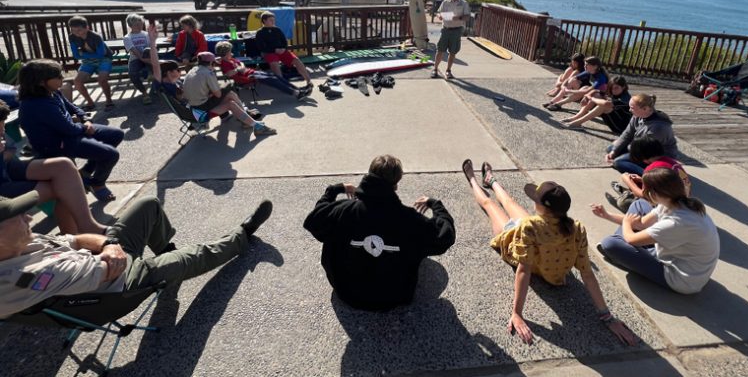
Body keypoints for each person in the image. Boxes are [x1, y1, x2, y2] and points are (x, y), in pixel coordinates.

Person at [0, 190, 273, 319]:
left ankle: (167, 256)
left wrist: (107, 243)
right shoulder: (20, 277)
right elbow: (109, 269)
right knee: (195, 255)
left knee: (148, 204)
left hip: (107, 262)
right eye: (15, 215)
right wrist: (109, 250)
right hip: (116, 288)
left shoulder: (21, 243)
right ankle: (243, 235)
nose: (28, 216)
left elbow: (75, 239)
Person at [461, 159, 637, 346]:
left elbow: (523, 270)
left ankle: (472, 179)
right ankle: (490, 179)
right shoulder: (576, 228)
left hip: (514, 238)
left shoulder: (530, 227)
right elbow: (587, 273)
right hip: (533, 235)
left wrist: (517, 313)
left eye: (536, 200)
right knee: (510, 201)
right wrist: (607, 317)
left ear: (543, 207)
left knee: (490, 204)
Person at [303, 154, 456, 311]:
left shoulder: (344, 210)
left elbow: (315, 219)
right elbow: (445, 236)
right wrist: (436, 205)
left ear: (368, 175)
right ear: (396, 184)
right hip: (393, 297)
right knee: (417, 243)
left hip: (346, 292)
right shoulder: (410, 220)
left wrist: (334, 190)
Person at [593, 167, 719, 294]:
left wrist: (626, 224)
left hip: (682, 279)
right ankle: (625, 251)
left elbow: (631, 239)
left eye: (645, 189)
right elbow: (640, 223)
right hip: (680, 256)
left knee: (610, 244)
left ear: (654, 194)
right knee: (640, 205)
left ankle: (622, 254)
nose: (643, 192)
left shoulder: (675, 223)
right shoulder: (676, 200)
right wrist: (607, 215)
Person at [17, 60, 124, 202]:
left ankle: (86, 171)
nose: (62, 78)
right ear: (42, 82)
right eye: (58, 77)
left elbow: (72, 107)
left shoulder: (52, 92)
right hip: (56, 143)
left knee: (115, 134)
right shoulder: (38, 104)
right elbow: (69, 129)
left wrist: (84, 118)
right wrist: (85, 127)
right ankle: (97, 184)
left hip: (70, 132)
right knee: (111, 155)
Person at [0, 101, 106, 235]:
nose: (2, 130)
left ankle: (87, 225)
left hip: (8, 169)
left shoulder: (1, 127)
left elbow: (10, 150)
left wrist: (4, 153)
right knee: (64, 189)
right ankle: (71, 238)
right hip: (2, 190)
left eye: (3, 124)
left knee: (64, 166)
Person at [182, 51, 276, 137]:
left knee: (230, 95)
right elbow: (218, 95)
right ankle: (255, 125)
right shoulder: (208, 73)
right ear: (211, 63)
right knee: (229, 94)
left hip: (193, 108)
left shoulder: (192, 70)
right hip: (201, 111)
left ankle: (247, 121)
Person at [605, 137, 691, 213]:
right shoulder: (671, 162)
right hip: (681, 201)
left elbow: (643, 195)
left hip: (668, 208)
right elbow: (667, 182)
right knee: (643, 184)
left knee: (624, 203)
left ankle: (626, 199)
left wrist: (628, 181)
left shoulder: (651, 169)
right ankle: (627, 193)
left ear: (641, 156)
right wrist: (642, 179)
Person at [605, 93, 678, 175]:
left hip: (655, 156)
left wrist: (622, 146)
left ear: (645, 109)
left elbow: (643, 149)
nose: (629, 110)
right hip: (642, 148)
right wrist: (615, 151)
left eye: (632, 108)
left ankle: (649, 175)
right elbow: (627, 134)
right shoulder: (638, 116)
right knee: (611, 149)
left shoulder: (658, 127)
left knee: (618, 162)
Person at [215, 41, 311, 101]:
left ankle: (297, 90)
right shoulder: (224, 63)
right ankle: (296, 94)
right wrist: (238, 69)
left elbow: (242, 64)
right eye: (229, 52)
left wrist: (241, 67)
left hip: (250, 72)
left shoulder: (231, 59)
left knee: (275, 76)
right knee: (272, 80)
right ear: (225, 53)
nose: (231, 53)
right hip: (246, 78)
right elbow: (229, 73)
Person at [253, 11, 313, 90]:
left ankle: (309, 81)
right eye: (271, 20)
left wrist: (283, 49)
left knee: (296, 60)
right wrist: (275, 50)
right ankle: (284, 85)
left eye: (274, 20)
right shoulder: (260, 33)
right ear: (264, 21)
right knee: (275, 64)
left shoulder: (277, 30)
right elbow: (261, 47)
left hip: (281, 51)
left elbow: (284, 42)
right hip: (269, 52)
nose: (273, 22)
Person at [68, 16, 114, 110]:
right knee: (77, 81)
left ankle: (109, 100)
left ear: (87, 28)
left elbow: (101, 55)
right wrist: (90, 55)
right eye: (73, 30)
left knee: (102, 79)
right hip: (89, 61)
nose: (77, 33)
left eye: (79, 30)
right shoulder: (72, 37)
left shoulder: (96, 36)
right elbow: (76, 55)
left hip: (105, 59)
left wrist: (83, 54)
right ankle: (90, 102)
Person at [431, 0, 471, 80]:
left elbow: (467, 17)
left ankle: (448, 71)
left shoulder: (464, 3)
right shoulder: (445, 2)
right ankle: (435, 69)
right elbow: (438, 13)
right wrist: (439, 16)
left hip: (456, 31)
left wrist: (458, 18)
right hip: (445, 29)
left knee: (453, 52)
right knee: (440, 50)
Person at [562, 76, 631, 130]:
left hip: (621, 127)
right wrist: (587, 96)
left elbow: (606, 104)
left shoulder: (625, 98)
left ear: (624, 87)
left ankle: (576, 123)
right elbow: (596, 91)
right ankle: (577, 117)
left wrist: (591, 98)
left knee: (603, 105)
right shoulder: (615, 92)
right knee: (597, 95)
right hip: (614, 118)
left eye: (616, 88)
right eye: (611, 88)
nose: (613, 90)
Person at [544, 56, 608, 111]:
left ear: (595, 66)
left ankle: (558, 104)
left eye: (587, 65)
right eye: (584, 64)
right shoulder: (589, 71)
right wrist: (563, 86)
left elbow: (587, 91)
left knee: (584, 88)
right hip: (590, 94)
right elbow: (571, 78)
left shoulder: (601, 77)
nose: (584, 66)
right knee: (573, 80)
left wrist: (569, 91)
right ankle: (553, 102)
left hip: (599, 98)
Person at [123, 13, 152, 105]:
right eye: (136, 24)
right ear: (131, 25)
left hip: (148, 56)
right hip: (136, 58)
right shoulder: (127, 38)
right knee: (132, 73)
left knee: (148, 50)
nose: (139, 26)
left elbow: (151, 47)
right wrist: (143, 60)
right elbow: (134, 51)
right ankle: (144, 92)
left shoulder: (146, 34)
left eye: (141, 24)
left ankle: (151, 75)